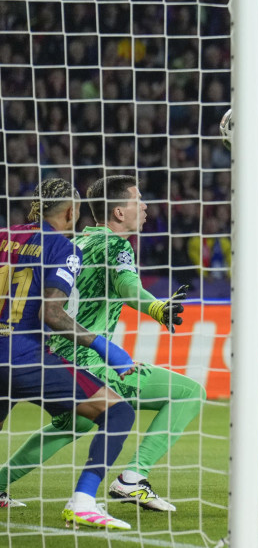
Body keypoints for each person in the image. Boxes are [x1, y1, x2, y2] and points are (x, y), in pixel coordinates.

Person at [0, 175, 205, 513]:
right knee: (188, 393)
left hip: (55, 356)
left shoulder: (77, 242)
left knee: (72, 424)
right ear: (118, 213)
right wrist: (156, 307)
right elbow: (128, 287)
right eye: (137, 199)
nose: (145, 205)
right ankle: (132, 479)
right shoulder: (115, 245)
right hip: (91, 363)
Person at [0, 179, 136, 529]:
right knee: (118, 413)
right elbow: (52, 313)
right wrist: (105, 347)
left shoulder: (4, 235)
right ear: (72, 211)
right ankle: (83, 500)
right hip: (24, 356)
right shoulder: (63, 247)